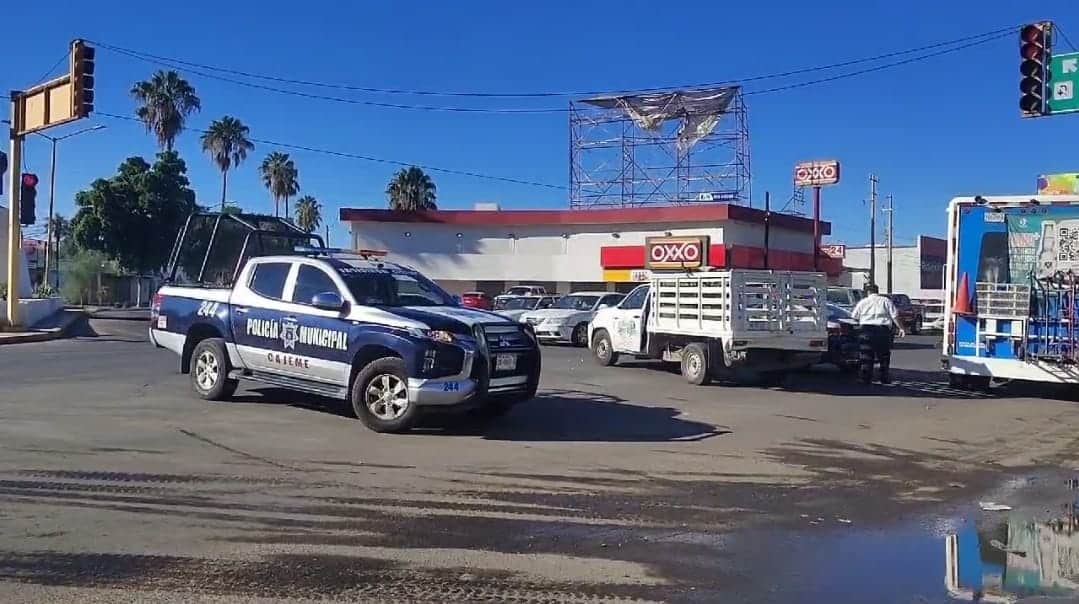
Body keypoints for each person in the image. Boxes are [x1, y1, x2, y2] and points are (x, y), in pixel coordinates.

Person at [850, 284, 906, 384]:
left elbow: (854, 316)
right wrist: (901, 328)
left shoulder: (863, 302)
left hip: (866, 330)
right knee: (884, 355)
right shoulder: (886, 301)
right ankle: (884, 377)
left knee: (866, 355)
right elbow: (895, 316)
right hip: (882, 330)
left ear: (867, 292)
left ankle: (865, 378)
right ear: (877, 291)